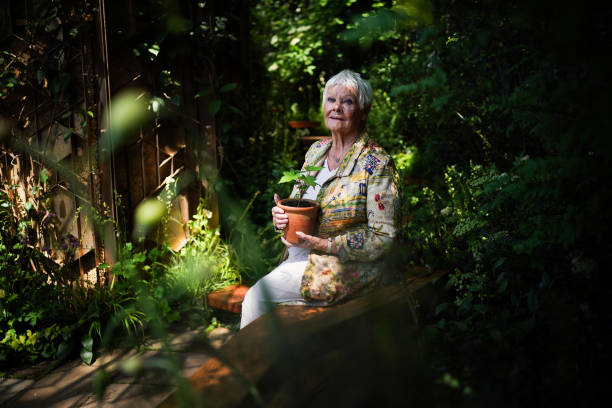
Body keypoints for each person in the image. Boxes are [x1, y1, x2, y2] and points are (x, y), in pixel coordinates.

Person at [240, 69, 399, 329]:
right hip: (300, 259)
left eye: (347, 102)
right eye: (331, 100)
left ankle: (246, 369)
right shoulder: (316, 152)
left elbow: (383, 238)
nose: (337, 107)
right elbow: (301, 204)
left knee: (256, 300)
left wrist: (326, 245)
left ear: (363, 112)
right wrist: (282, 216)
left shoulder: (376, 163)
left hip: (343, 267)